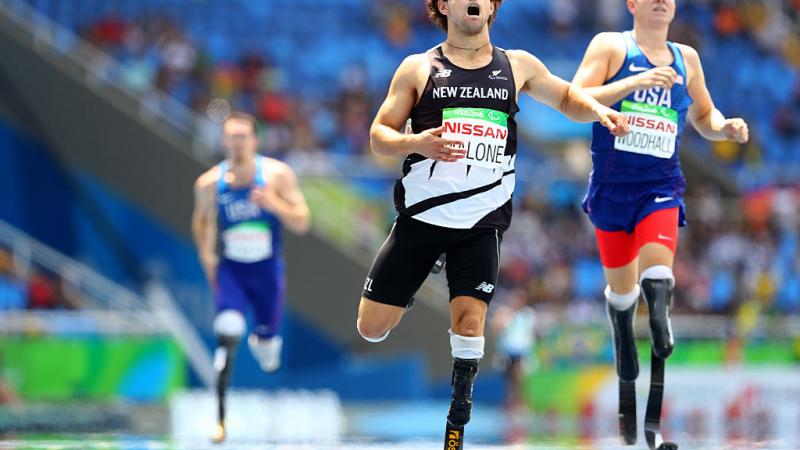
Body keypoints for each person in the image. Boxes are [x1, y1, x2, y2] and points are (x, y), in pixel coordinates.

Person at [355, 0, 628, 445]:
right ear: (444, 5)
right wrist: (415, 142)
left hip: (481, 223)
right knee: (371, 329)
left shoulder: (517, 65)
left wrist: (597, 112)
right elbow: (378, 136)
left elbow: (565, 97)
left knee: (468, 322)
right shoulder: (417, 68)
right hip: (422, 219)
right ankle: (413, 279)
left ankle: (457, 419)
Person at [571, 0, 748, 447]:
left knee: (657, 271)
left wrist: (723, 127)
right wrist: (636, 81)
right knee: (623, 293)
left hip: (660, 185)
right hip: (612, 189)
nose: (661, 1)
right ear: (631, 3)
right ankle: (624, 334)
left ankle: (661, 319)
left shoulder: (687, 58)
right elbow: (576, 99)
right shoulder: (611, 46)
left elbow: (703, 116)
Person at [192, 112, 310, 443]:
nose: (237, 143)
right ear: (223, 140)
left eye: (243, 136)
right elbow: (202, 221)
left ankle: (266, 344)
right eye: (232, 136)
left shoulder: (276, 175)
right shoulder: (208, 183)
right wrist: (206, 256)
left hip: (267, 271)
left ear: (255, 140)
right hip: (232, 269)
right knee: (227, 332)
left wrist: (272, 203)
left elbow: (302, 221)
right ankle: (220, 420)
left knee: (267, 350)